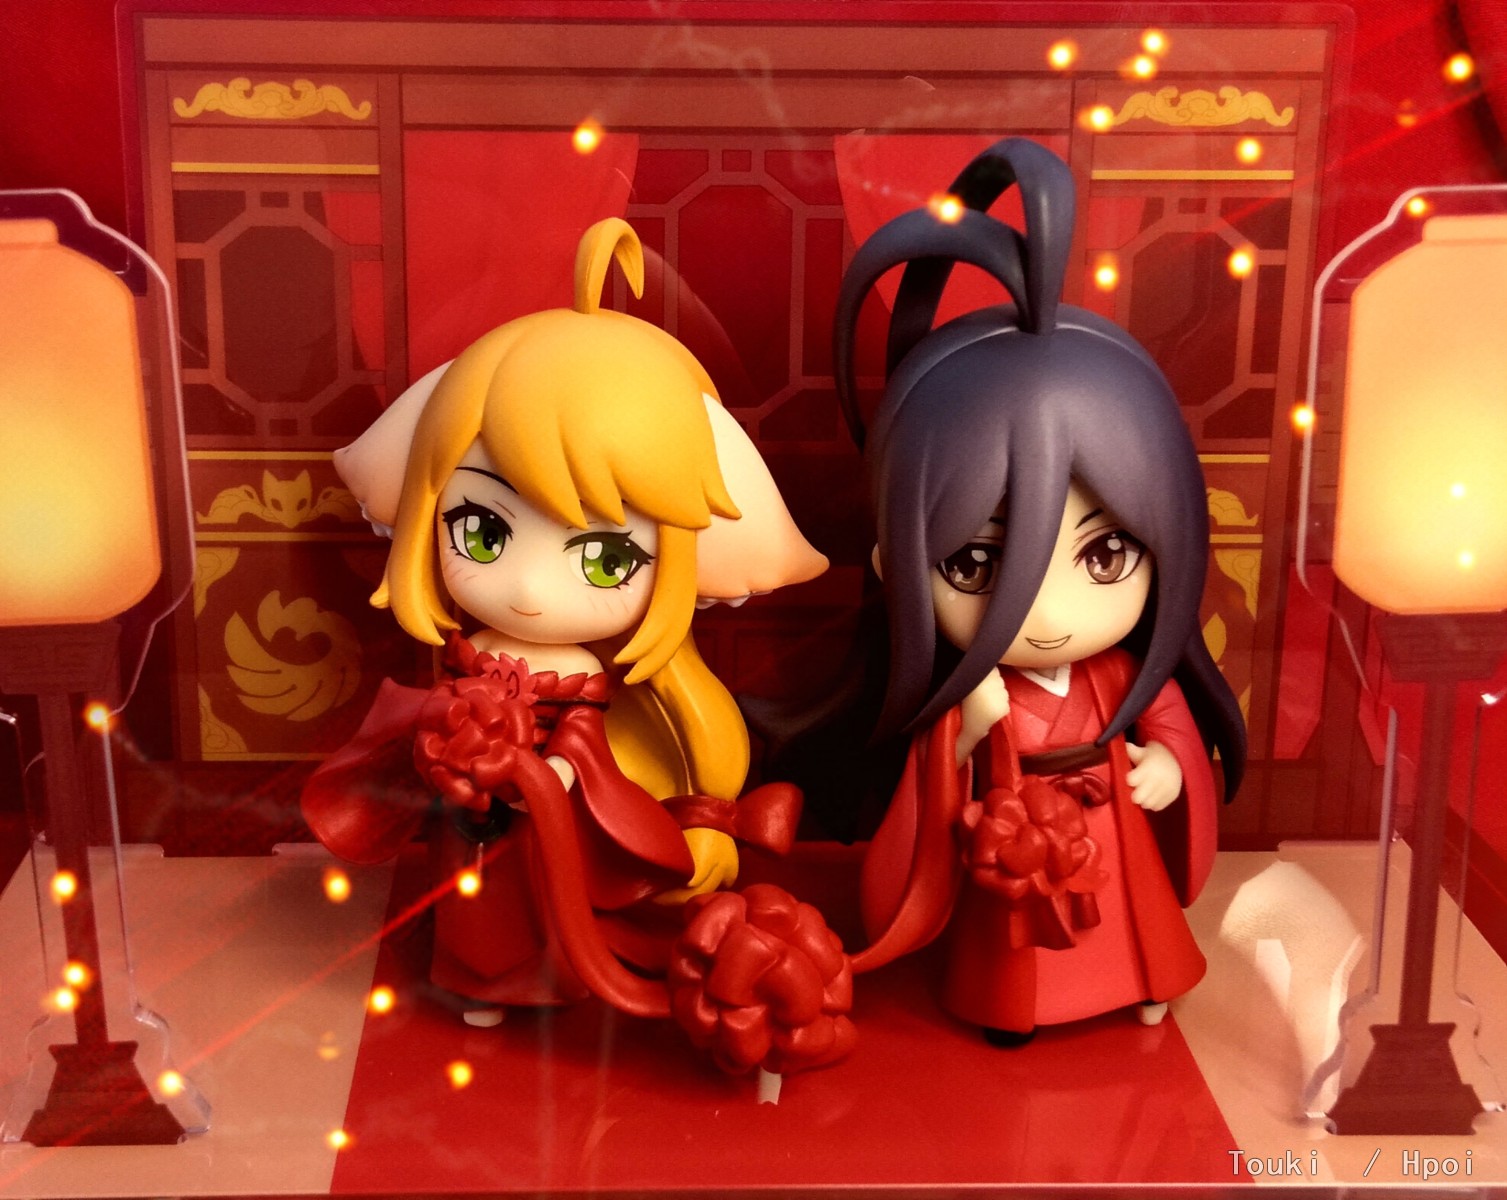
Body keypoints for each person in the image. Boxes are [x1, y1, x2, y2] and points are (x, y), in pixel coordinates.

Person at [302, 218, 826, 1021]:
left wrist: (555, 779)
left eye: (606, 559)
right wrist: (447, 752)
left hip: (558, 819)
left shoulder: (585, 675)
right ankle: (478, 982)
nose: (528, 588)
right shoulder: (473, 651)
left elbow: (588, 747)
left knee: (553, 904)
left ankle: (559, 978)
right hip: (476, 825)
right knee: (477, 908)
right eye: (483, 532)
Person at [834, 139, 1246, 1042]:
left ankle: (1144, 982)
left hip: (1111, 832)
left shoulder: (1120, 678)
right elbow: (928, 799)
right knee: (1017, 958)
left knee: (1135, 934)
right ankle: (1015, 1011)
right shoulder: (974, 692)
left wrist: (1168, 767)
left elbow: (1175, 735)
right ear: (897, 563)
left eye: (1104, 556)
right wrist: (964, 732)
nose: (1047, 614)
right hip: (1011, 847)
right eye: (975, 566)